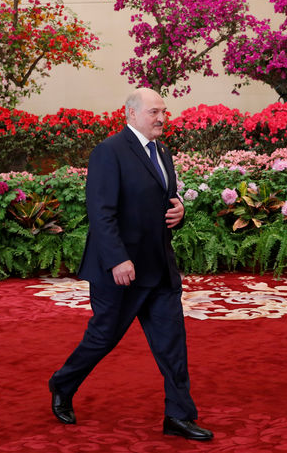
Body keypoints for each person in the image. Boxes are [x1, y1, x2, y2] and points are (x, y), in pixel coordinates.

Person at [48, 88, 213, 441]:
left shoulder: (163, 151)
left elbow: (163, 197)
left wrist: (180, 209)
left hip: (159, 266)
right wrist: (117, 259)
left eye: (164, 112)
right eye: (154, 112)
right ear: (131, 114)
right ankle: (63, 383)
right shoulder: (109, 152)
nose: (162, 118)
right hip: (120, 270)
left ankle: (179, 416)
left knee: (172, 343)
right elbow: (101, 212)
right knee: (103, 338)